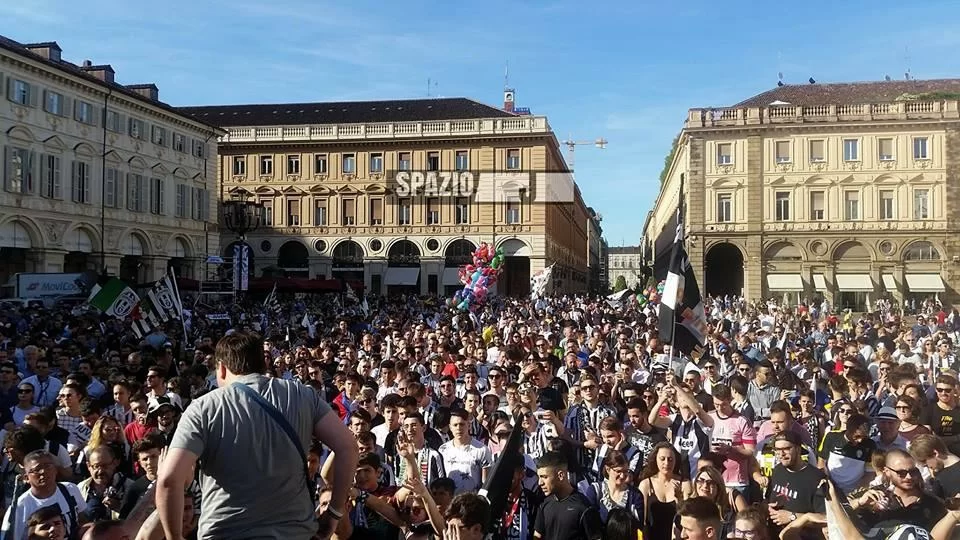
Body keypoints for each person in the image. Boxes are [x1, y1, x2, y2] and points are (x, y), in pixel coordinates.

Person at [156, 331, 359, 540]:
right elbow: (349, 448)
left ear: (222, 369)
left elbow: (169, 480)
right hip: (295, 533)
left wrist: (174, 537)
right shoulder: (303, 395)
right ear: (262, 363)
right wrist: (334, 513)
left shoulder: (203, 408)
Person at [1, 450, 86, 540]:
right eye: (37, 470)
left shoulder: (70, 489)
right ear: (26, 478)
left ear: (56, 470)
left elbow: (83, 520)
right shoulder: (20, 507)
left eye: (47, 466)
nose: (43, 471)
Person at [764, 431, 826, 540]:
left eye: (786, 448)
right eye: (777, 449)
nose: (781, 454)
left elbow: (825, 519)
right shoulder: (777, 470)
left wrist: (792, 517)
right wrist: (766, 508)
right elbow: (768, 500)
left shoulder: (817, 478)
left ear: (798, 449)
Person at [532, 451, 602, 540]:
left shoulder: (583, 507)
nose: (540, 483)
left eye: (545, 477)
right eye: (539, 477)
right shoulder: (544, 504)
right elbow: (537, 535)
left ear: (561, 475)